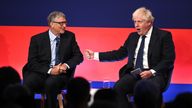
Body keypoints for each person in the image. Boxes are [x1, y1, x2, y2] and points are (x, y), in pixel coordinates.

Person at [85, 7, 175, 108]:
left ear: (149, 22)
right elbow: (119, 54)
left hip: (154, 74)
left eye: (139, 22)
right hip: (135, 73)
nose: (136, 25)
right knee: (118, 88)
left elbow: (168, 60)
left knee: (148, 91)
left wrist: (151, 72)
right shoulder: (133, 37)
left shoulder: (163, 36)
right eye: (135, 21)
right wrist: (95, 55)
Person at [22, 11, 83, 108]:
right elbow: (32, 62)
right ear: (51, 24)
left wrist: (65, 65)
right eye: (61, 23)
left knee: (51, 83)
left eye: (65, 22)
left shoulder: (70, 36)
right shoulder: (36, 39)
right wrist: (50, 70)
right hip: (41, 72)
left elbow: (78, 56)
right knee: (29, 81)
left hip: (61, 74)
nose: (64, 26)